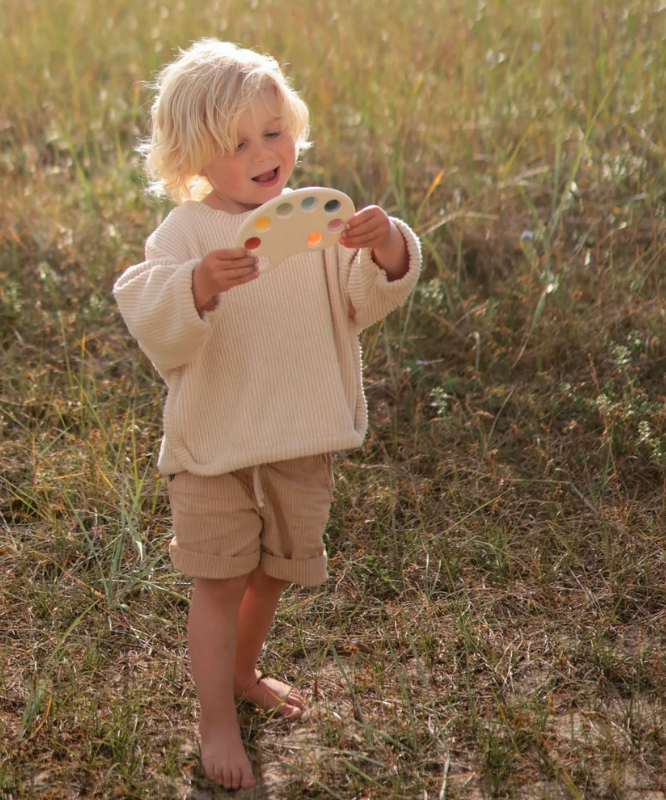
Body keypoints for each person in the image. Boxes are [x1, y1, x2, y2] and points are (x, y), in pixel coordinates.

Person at [113, 38, 421, 791]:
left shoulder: (312, 217)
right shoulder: (187, 233)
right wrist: (196, 286)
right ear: (192, 156)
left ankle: (245, 672)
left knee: (274, 570)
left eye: (274, 131)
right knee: (220, 578)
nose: (264, 152)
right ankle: (214, 716)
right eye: (238, 141)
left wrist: (384, 249)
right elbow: (144, 304)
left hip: (299, 428)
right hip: (216, 440)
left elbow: (360, 298)